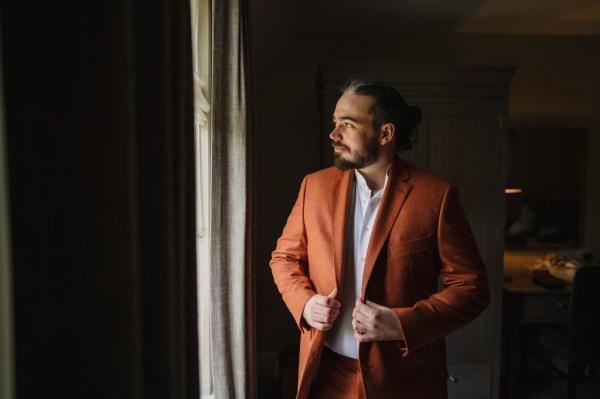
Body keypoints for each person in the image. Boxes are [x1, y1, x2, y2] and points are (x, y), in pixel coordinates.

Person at [270, 79, 490, 399]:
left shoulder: (436, 195)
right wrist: (305, 303)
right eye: (335, 123)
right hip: (326, 372)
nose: (334, 134)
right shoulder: (314, 187)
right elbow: (284, 258)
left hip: (404, 379)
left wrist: (401, 324)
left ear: (385, 133)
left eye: (347, 124)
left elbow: (472, 288)